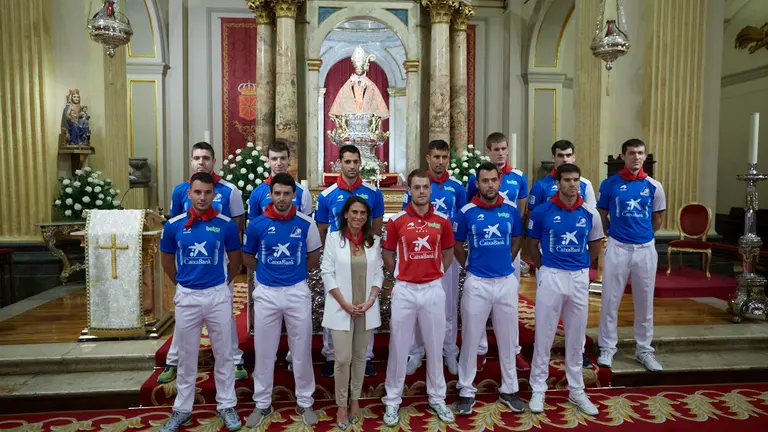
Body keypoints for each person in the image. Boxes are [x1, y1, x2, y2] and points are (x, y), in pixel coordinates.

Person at [158, 171, 242, 432]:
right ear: (189, 194)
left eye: (207, 192)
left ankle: (227, 404)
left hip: (217, 294)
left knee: (224, 353)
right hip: (188, 296)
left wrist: (223, 284)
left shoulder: (226, 224)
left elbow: (236, 259)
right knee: (186, 355)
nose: (203, 197)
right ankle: (182, 409)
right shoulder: (174, 225)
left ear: (214, 195)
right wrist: (183, 282)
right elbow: (167, 260)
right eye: (198, 192)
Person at [159, 142, 247, 383]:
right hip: (189, 263)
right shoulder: (180, 190)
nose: (201, 162)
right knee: (184, 317)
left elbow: (237, 223)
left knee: (224, 313)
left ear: (214, 161)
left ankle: (234, 358)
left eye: (206, 157)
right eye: (197, 157)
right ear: (191, 161)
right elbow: (175, 221)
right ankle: (173, 361)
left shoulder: (230, 191)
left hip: (220, 260)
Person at [242, 173, 322, 428]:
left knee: (301, 349)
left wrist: (296, 273)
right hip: (267, 293)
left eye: (286, 194)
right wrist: (267, 272)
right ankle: (262, 403)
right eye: (277, 193)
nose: (282, 198)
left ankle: (305, 401)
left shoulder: (305, 224)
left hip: (297, 291)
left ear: (294, 196)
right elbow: (247, 257)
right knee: (264, 351)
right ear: (271, 194)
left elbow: (313, 255)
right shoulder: (257, 224)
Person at [526, 163, 603, 416]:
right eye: (567, 180)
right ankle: (538, 387)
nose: (572, 184)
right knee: (545, 334)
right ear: (557, 183)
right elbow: (532, 242)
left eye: (576, 180)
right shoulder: (541, 211)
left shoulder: (590, 213)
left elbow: (594, 245)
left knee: (576, 336)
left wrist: (584, 270)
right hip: (552, 275)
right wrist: (543, 268)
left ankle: (576, 389)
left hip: (578, 278)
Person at [381, 169, 456, 427]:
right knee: (399, 348)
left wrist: (437, 272)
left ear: (430, 189)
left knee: (435, 347)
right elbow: (388, 254)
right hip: (405, 291)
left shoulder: (442, 221)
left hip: (433, 289)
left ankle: (437, 398)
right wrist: (402, 275)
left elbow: (447, 251)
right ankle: (392, 400)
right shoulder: (397, 221)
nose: (422, 191)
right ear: (409, 190)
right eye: (417, 187)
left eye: (425, 187)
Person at [453, 162, 526, 416]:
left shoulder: (511, 210)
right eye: (485, 181)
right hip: (478, 282)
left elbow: (517, 238)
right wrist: (470, 265)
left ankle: (510, 388)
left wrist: (508, 258)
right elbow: (456, 243)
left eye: (494, 180)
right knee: (471, 338)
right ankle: (465, 390)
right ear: (477, 184)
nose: (490, 185)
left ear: (499, 181)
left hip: (505, 281)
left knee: (508, 338)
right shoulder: (466, 212)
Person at [596, 139, 666, 372]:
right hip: (618, 247)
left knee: (644, 302)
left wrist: (642, 236)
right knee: (610, 299)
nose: (636, 157)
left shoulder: (654, 186)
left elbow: (657, 219)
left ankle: (644, 350)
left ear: (645, 156)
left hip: (645, 249)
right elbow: (602, 214)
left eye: (640, 153)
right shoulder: (610, 184)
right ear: (622, 156)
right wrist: (615, 234)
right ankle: (607, 347)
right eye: (631, 153)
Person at [315, 144, 385, 378]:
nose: (352, 166)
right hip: (338, 255)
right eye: (348, 162)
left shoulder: (373, 193)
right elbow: (322, 229)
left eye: (356, 162)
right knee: (335, 304)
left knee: (366, 301)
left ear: (360, 164)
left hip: (363, 253)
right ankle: (331, 354)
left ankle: (365, 355)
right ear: (340, 164)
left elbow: (375, 228)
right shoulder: (327, 196)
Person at [526, 140, 597, 368]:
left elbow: (593, 229)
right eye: (560, 155)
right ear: (554, 158)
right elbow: (532, 228)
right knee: (546, 320)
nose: (565, 159)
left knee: (576, 320)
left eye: (568, 155)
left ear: (573, 157)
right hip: (551, 265)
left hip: (577, 267)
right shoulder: (541, 186)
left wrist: (585, 262)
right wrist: (541, 266)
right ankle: (540, 369)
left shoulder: (586, 185)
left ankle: (578, 356)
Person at [466, 132, 530, 372]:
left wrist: (511, 255)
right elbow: (470, 208)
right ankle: (480, 350)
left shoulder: (518, 177)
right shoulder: (478, 176)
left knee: (510, 304)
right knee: (479, 306)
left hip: (508, 247)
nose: (501, 153)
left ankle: (514, 350)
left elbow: (520, 214)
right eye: (496, 149)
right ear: (488, 150)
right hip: (483, 251)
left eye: (504, 148)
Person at [402, 140, 466, 377]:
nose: (441, 162)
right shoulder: (418, 184)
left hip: (445, 255)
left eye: (444, 157)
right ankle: (416, 351)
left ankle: (448, 350)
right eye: (436, 157)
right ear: (428, 158)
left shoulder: (457, 187)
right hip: (419, 257)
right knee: (418, 306)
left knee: (448, 305)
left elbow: (460, 220)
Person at [320, 196, 383, 430]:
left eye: (363, 213)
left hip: (366, 307)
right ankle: (341, 405)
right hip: (341, 306)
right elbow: (327, 272)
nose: (358, 217)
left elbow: (378, 272)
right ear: (345, 214)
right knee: (343, 358)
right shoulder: (334, 239)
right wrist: (344, 303)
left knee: (360, 358)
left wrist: (371, 300)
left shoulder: (373, 241)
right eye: (354, 212)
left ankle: (355, 400)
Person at [247, 139, 313, 218]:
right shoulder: (257, 193)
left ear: (289, 159)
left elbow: (307, 225)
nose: (279, 163)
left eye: (283, 158)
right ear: (268, 161)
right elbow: (253, 226)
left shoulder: (303, 192)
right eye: (274, 159)